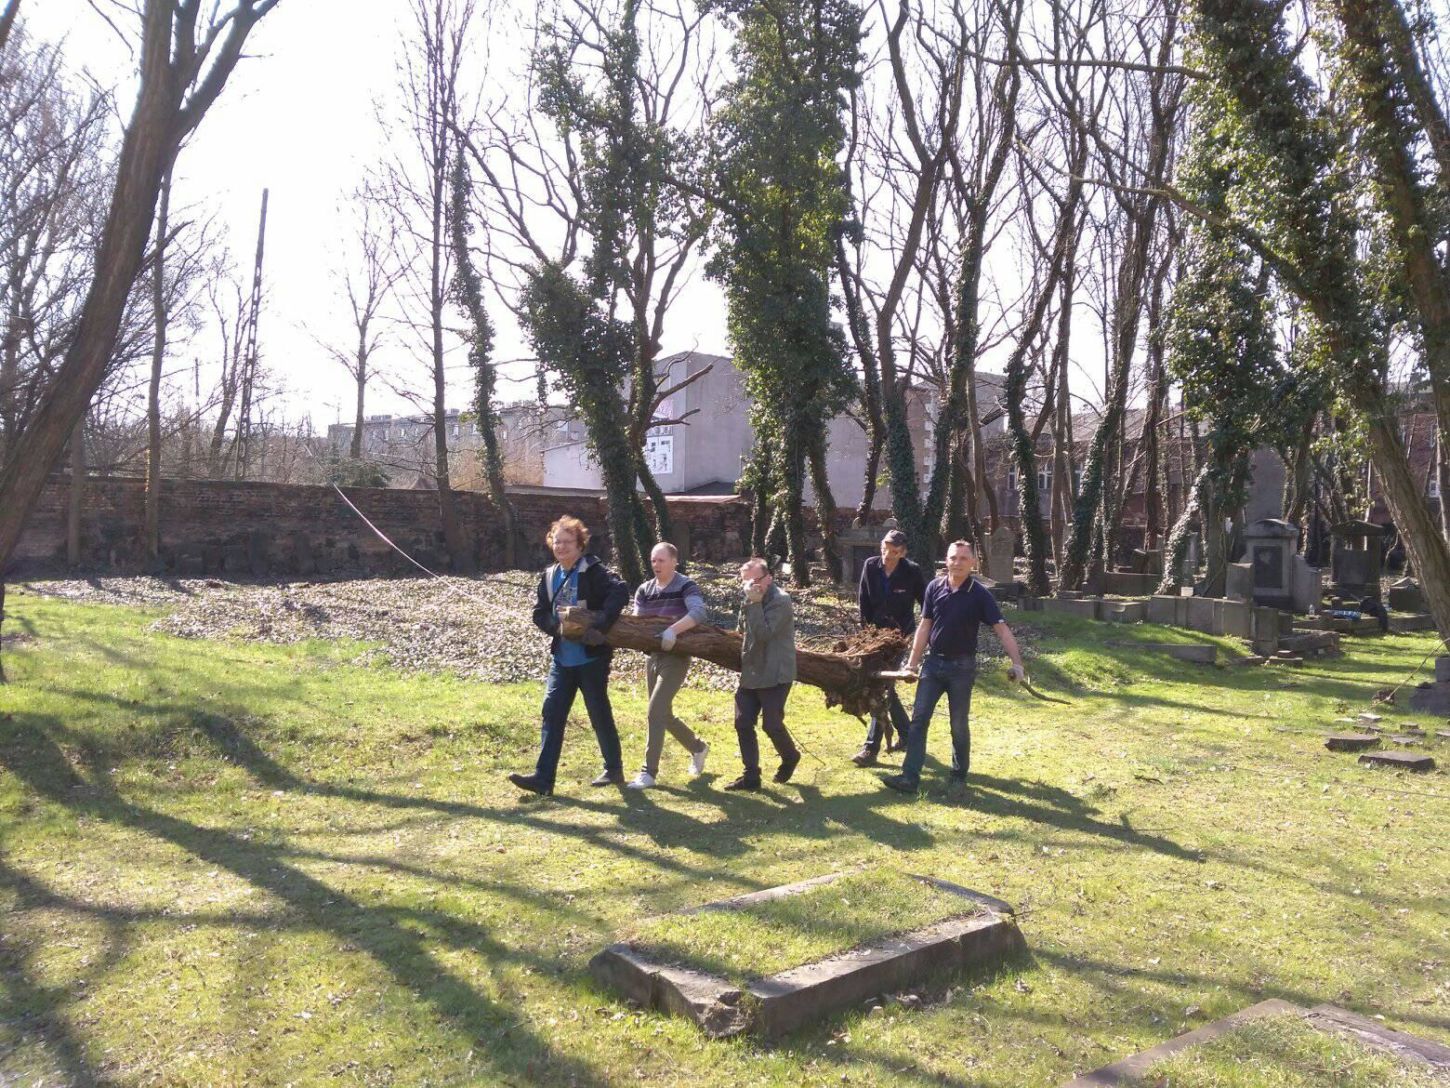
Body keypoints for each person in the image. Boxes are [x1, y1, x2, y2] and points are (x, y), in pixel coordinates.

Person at [881, 540, 1027, 794]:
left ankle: (958, 777)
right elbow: (925, 626)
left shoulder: (980, 594)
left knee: (958, 724)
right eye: (953, 558)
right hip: (933, 664)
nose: (957, 563)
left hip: (962, 667)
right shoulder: (934, 588)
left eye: (963, 558)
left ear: (973, 563)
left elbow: (1002, 630)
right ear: (946, 561)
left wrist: (1017, 664)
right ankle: (909, 778)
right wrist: (912, 664)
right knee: (919, 720)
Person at [509, 516, 629, 796]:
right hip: (562, 660)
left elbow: (619, 592)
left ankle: (613, 768)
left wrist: (599, 626)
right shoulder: (550, 576)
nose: (561, 547)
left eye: (567, 542)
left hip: (592, 658)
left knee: (598, 713)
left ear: (580, 544)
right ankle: (543, 779)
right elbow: (539, 613)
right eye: (557, 541)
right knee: (552, 713)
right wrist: (557, 628)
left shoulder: (593, 571)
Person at [626, 542, 711, 789]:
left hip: (677, 657)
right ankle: (698, 747)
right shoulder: (645, 589)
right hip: (652, 657)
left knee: (654, 712)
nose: (656, 565)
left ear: (674, 562)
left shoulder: (686, 585)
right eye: (653, 560)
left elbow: (699, 613)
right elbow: (637, 622)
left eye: (661, 560)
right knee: (664, 714)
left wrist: (673, 630)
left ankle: (648, 773)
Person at [851, 528, 927, 767]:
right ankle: (908, 735)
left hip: (899, 638)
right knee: (886, 687)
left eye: (893, 551)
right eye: (885, 548)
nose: (887, 554)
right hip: (873, 637)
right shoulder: (870, 566)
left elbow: (926, 604)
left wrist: (923, 635)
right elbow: (863, 601)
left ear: (902, 553)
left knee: (881, 687)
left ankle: (870, 748)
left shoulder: (912, 571)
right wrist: (866, 636)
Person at [726, 557, 800, 791]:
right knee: (742, 722)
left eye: (754, 581)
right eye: (745, 582)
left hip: (775, 673)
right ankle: (751, 777)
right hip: (752, 671)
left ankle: (790, 756)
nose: (749, 586)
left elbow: (764, 634)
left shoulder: (781, 601)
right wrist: (751, 602)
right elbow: (742, 630)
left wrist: (755, 603)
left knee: (772, 725)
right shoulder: (750, 597)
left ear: (768, 578)